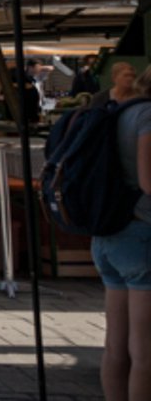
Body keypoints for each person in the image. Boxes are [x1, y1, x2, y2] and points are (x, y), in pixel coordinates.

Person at [97, 68, 151, 401]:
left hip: (108, 235)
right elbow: (148, 182)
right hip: (141, 231)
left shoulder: (115, 112)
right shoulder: (148, 117)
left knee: (116, 346)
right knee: (145, 352)